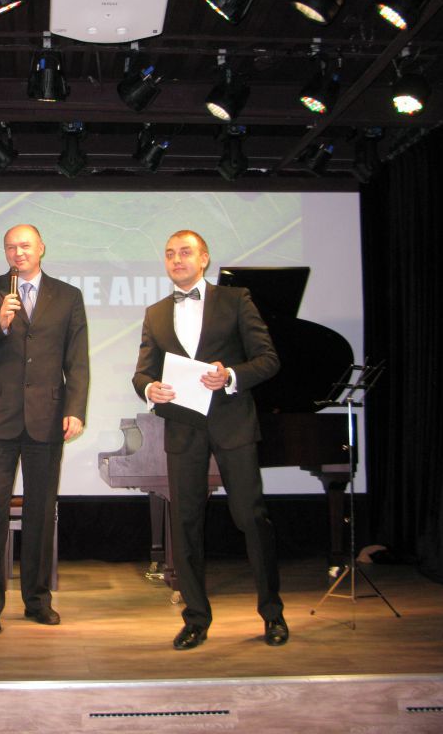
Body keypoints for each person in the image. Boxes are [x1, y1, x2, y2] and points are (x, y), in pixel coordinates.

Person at [132, 230, 288, 649]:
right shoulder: (155, 313)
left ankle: (272, 613)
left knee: (251, 517)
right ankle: (196, 619)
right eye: (170, 254)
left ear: (204, 258)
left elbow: (268, 359)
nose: (176, 259)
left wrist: (231, 375)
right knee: (184, 524)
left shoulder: (236, 300)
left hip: (232, 423)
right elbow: (142, 372)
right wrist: (150, 389)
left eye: (185, 252)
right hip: (182, 428)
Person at [0, 224, 89, 634]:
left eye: (26, 245)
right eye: (11, 247)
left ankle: (37, 600)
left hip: (47, 416)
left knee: (40, 513)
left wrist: (75, 409)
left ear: (41, 248)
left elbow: (77, 360)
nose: (18, 252)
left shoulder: (68, 296)